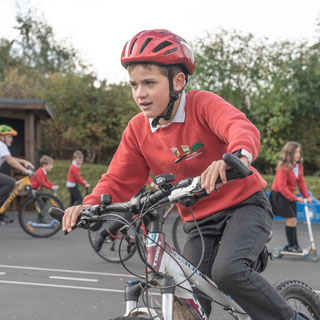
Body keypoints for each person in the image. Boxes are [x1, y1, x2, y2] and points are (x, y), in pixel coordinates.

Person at [62, 30, 309, 320]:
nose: (140, 93)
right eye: (134, 85)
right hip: (199, 222)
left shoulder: (201, 105)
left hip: (244, 206)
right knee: (185, 292)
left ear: (177, 81)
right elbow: (117, 178)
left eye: (149, 83)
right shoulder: (138, 130)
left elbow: (239, 127)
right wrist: (89, 205)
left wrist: (236, 157)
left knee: (228, 272)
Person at [269, 141, 312, 253]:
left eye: (299, 152)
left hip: (290, 195)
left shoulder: (298, 167)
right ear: (289, 153)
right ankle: (293, 246)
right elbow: (282, 187)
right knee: (291, 219)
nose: (298, 154)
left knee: (293, 220)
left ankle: (293, 245)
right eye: (295, 152)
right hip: (280, 195)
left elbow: (301, 183)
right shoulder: (283, 168)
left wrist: (306, 196)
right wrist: (296, 198)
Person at [0, 124, 33, 224]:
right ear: (2, 137)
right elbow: (10, 160)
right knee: (10, 183)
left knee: (9, 188)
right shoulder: (1, 145)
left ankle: (1, 214)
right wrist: (25, 170)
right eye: (9, 136)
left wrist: (24, 162)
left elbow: (9, 157)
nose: (12, 139)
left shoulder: (2, 146)